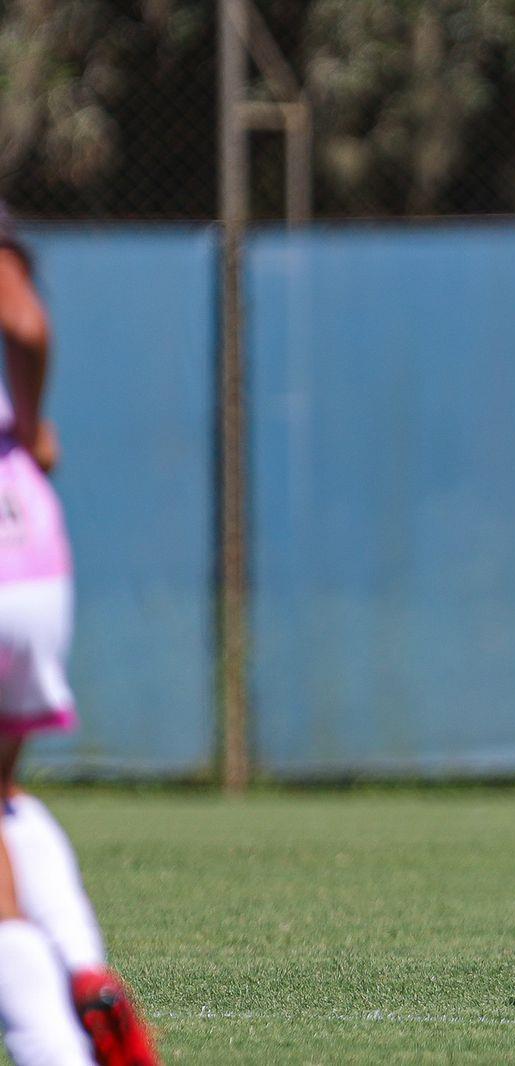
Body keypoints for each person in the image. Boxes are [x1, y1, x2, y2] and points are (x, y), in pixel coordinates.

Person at [0, 202, 158, 1065]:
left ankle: (58, 1042)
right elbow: (22, 321)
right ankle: (85, 972)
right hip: (27, 541)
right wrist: (25, 428)